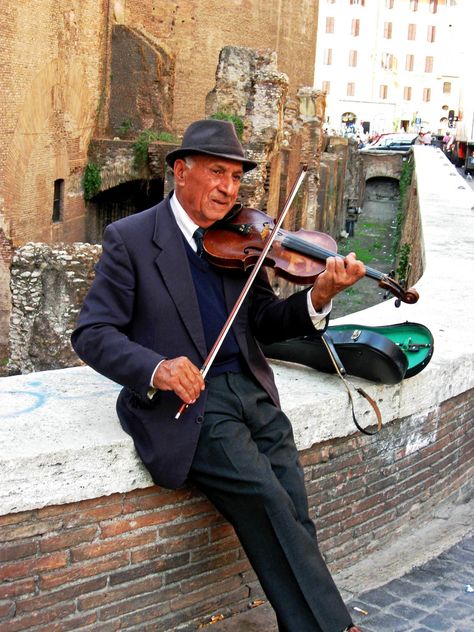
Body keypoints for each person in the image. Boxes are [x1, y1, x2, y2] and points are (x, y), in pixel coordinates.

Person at [71, 119, 366, 632]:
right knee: (267, 499)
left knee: (294, 508)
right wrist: (157, 368)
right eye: (216, 173)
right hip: (192, 404)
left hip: (251, 391)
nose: (228, 188)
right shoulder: (132, 239)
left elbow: (265, 326)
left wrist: (318, 298)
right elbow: (92, 332)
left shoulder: (238, 238)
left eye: (235, 177)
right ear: (181, 172)